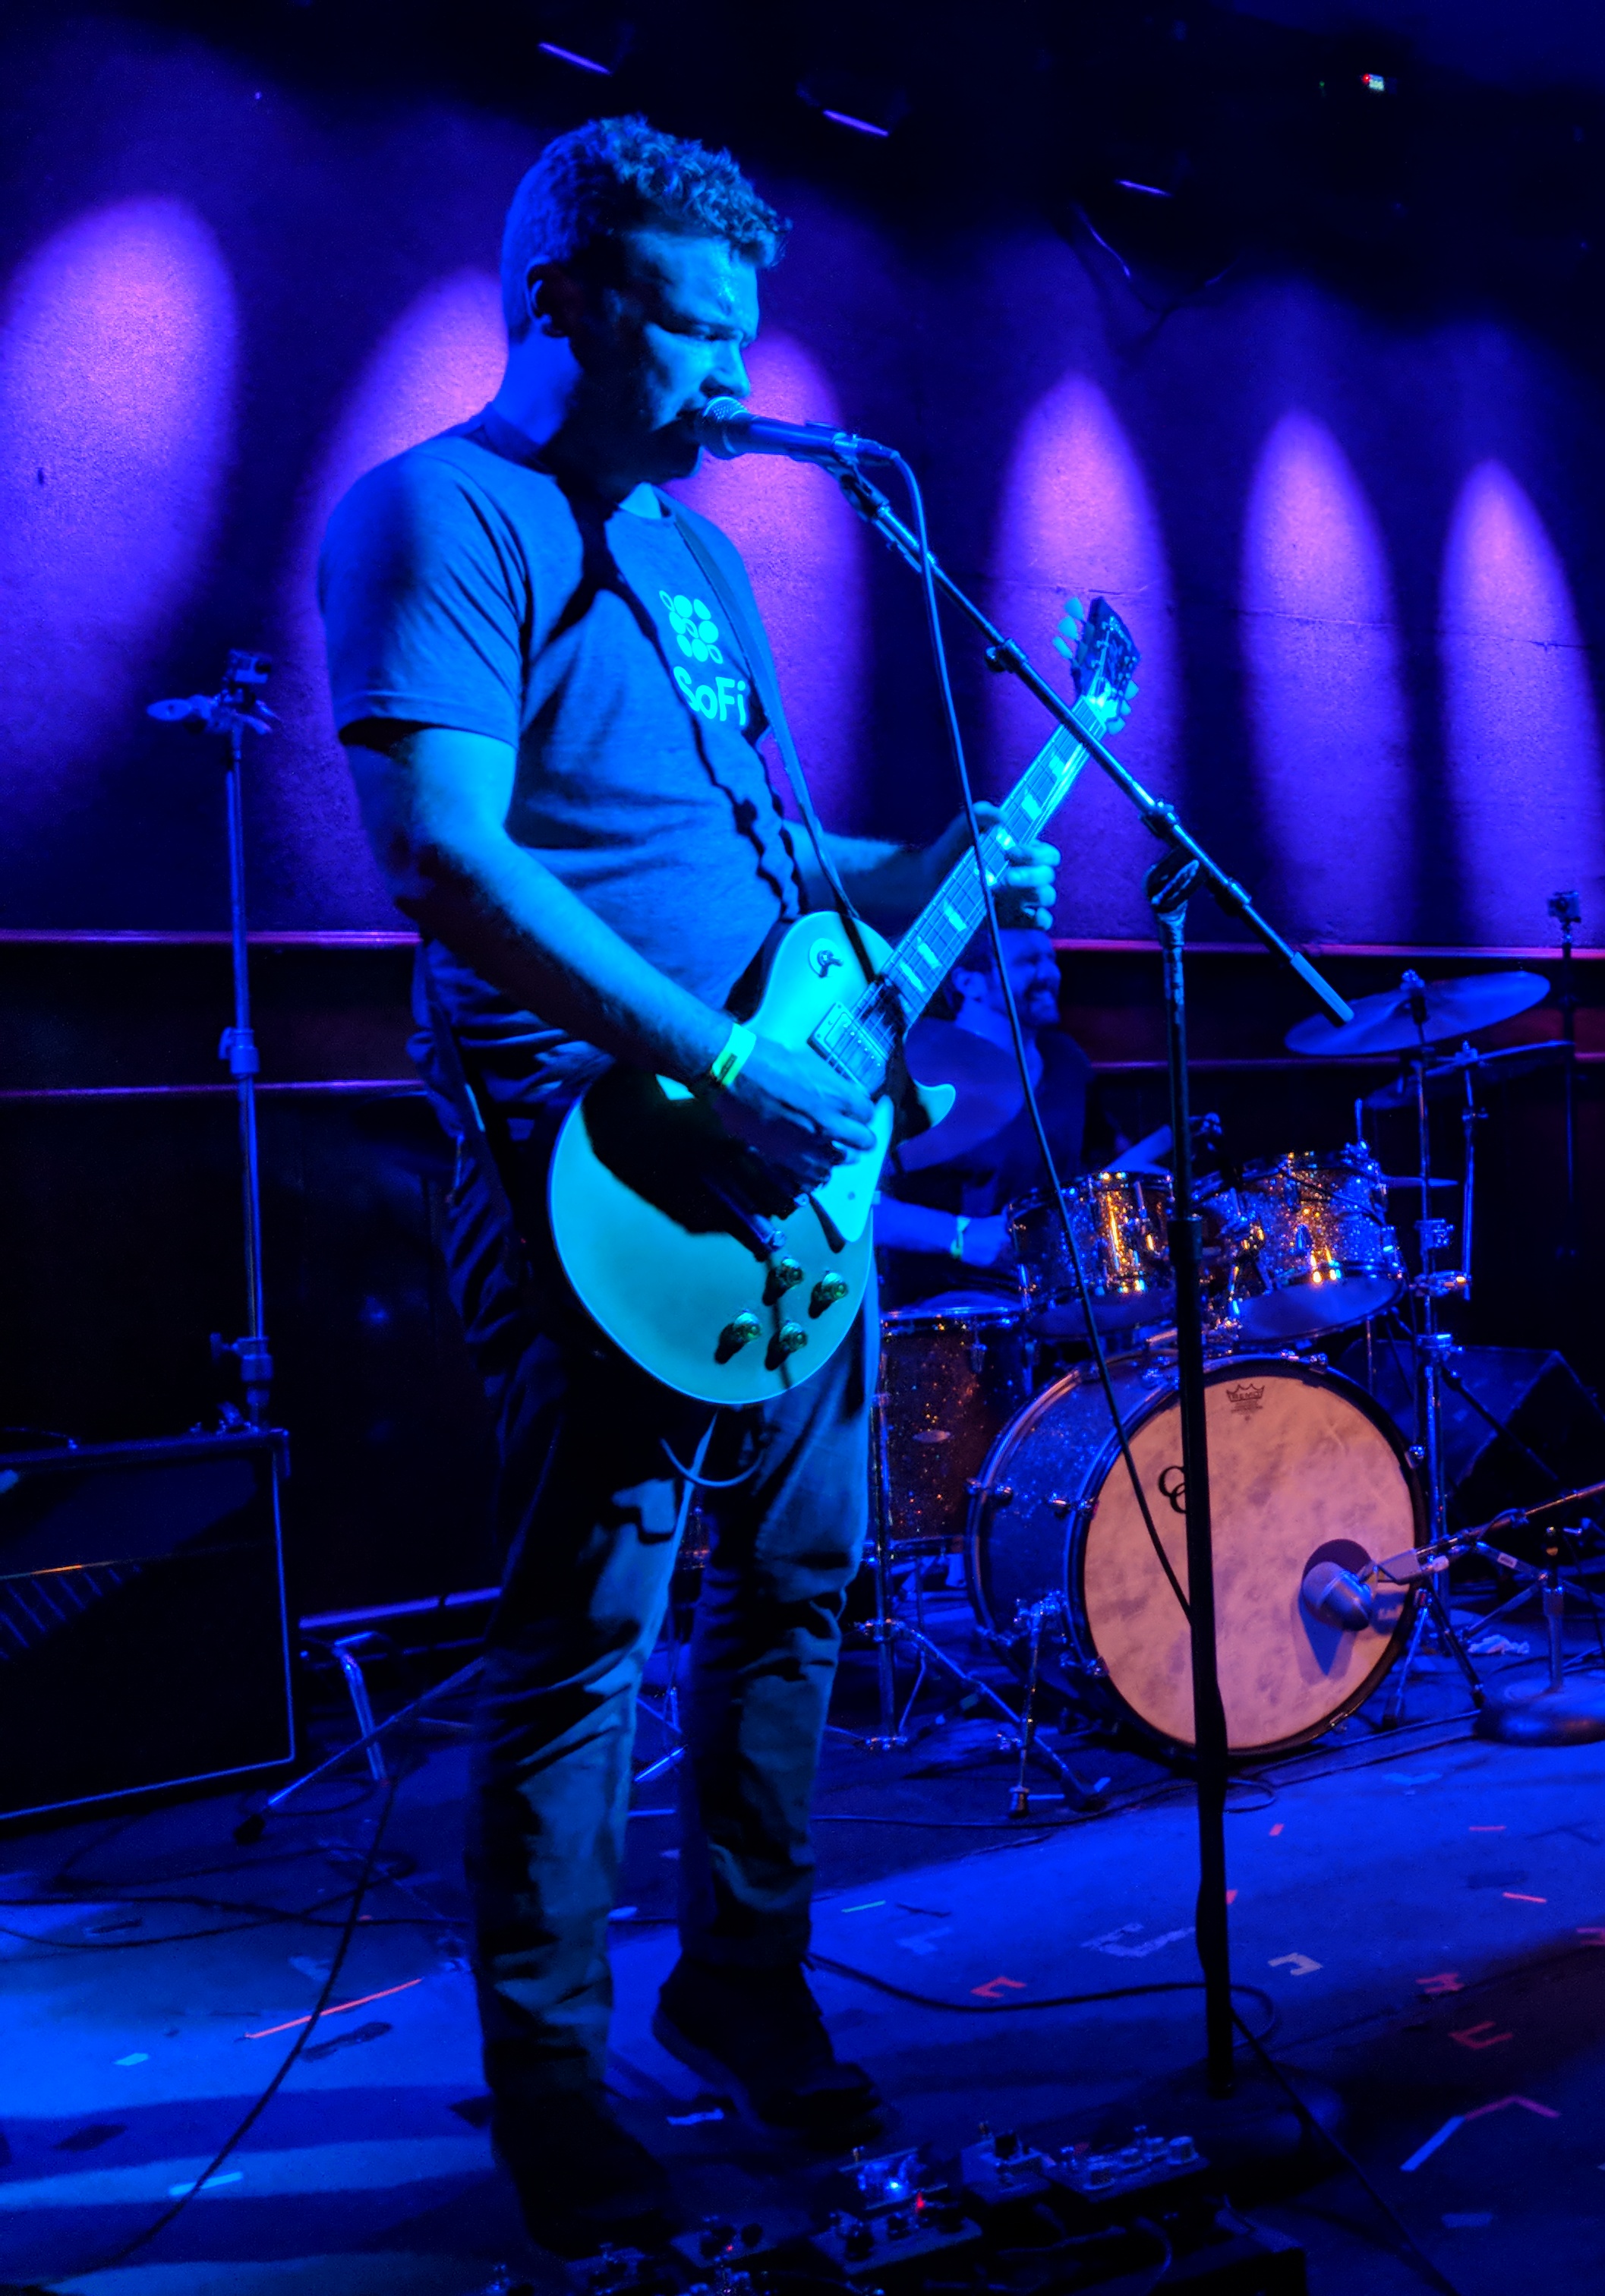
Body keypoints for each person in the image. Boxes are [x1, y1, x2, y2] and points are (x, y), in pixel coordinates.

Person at [322, 116, 1061, 2256]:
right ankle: (550, 2083)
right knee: (587, 1635)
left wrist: (934, 861)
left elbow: (759, 858)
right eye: (694, 327)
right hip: (598, 1153)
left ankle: (745, 1984)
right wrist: (719, 1064)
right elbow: (443, 856)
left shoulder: (693, 558)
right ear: (560, 302)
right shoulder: (441, 514)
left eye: (751, 330)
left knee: (800, 1586)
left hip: (774, 1165)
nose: (739, 380)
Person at [875, 932, 1094, 1307]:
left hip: (1053, 1294)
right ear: (969, 983)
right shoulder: (915, 1070)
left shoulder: (1066, 1060)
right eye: (1028, 961)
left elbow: (1093, 1166)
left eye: (1051, 959)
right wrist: (959, 1235)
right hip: (943, 1308)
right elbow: (843, 1199)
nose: (1050, 974)